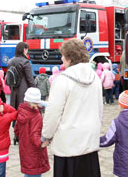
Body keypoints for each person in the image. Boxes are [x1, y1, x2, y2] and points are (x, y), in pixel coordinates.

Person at [42, 38, 103, 177]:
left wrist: (46, 135)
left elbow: (53, 114)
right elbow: (99, 110)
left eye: (63, 55)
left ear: (70, 58)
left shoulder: (62, 80)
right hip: (89, 142)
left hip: (68, 145)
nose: (62, 59)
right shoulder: (95, 78)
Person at [14, 88, 50, 177]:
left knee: (29, 172)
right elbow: (35, 135)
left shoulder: (21, 111)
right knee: (35, 172)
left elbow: (16, 130)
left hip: (24, 148)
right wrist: (42, 143)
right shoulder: (36, 116)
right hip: (34, 152)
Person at [7, 42, 35, 110]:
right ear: (24, 50)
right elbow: (30, 79)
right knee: (23, 112)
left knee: (14, 111)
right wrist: (34, 89)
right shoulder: (25, 61)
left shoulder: (10, 61)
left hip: (13, 90)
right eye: (27, 49)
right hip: (23, 90)